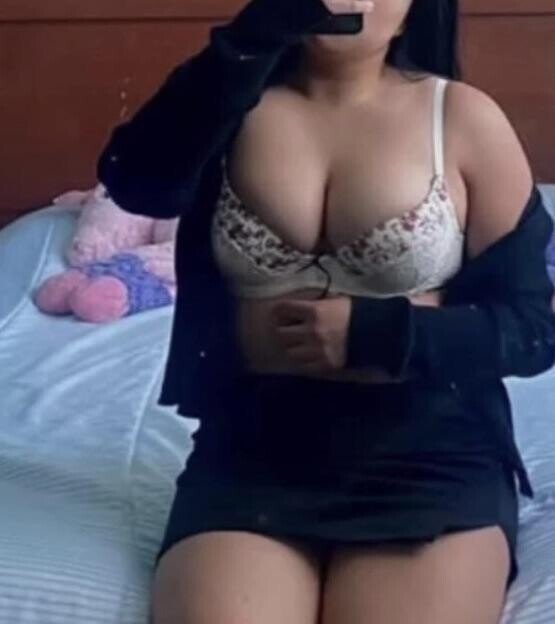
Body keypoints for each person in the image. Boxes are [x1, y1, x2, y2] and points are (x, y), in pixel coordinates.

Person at [97, 1, 555, 622]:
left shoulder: (463, 118)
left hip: (432, 454)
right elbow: (137, 183)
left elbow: (533, 329)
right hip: (252, 455)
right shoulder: (231, 103)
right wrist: (247, 42)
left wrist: (380, 333)